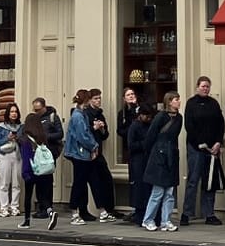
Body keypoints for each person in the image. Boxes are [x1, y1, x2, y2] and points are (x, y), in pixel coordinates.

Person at [183, 77, 225, 226]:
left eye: (208, 86)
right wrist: (200, 144)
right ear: (197, 87)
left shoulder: (214, 104)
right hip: (196, 148)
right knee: (193, 181)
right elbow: (189, 126)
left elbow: (220, 124)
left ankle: (209, 214)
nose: (205, 89)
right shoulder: (191, 103)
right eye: (203, 86)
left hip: (212, 149)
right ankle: (187, 213)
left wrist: (218, 142)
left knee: (210, 183)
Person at [140, 91, 182, 230]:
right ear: (169, 101)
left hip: (172, 155)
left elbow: (175, 137)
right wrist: (152, 153)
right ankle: (148, 219)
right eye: (176, 99)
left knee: (169, 192)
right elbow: (151, 135)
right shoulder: (160, 117)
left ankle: (166, 221)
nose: (179, 101)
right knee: (157, 191)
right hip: (159, 155)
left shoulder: (179, 118)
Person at [63, 89, 102, 222]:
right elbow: (83, 135)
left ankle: (82, 211)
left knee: (82, 183)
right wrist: (94, 146)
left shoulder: (79, 114)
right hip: (79, 153)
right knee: (79, 183)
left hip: (79, 153)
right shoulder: (79, 116)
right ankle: (75, 212)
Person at [19, 97, 57, 228]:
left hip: (31, 171)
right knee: (43, 196)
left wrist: (25, 173)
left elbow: (26, 158)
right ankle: (51, 212)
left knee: (29, 196)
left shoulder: (25, 140)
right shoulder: (42, 137)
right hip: (44, 170)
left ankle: (27, 221)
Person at [84, 90, 119, 219]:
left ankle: (109, 208)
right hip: (89, 153)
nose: (98, 101)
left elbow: (105, 135)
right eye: (96, 99)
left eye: (99, 98)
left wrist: (102, 128)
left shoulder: (100, 114)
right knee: (95, 181)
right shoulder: (86, 114)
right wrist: (94, 128)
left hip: (99, 152)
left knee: (107, 179)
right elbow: (84, 134)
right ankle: (102, 209)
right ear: (90, 100)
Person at [125, 101, 157, 214]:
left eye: (150, 116)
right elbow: (131, 145)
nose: (148, 118)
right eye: (146, 116)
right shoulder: (134, 126)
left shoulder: (151, 125)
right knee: (139, 188)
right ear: (141, 115)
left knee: (148, 187)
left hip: (149, 159)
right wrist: (145, 144)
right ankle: (139, 212)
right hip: (137, 160)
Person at [0, 103, 21, 218]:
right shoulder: (1, 127)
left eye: (15, 112)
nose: (14, 114)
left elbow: (24, 140)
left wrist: (18, 138)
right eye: (12, 112)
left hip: (17, 155)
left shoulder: (20, 127)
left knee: (16, 183)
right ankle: (4, 208)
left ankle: (15, 206)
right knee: (4, 183)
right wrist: (6, 138)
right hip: (5, 155)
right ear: (8, 113)